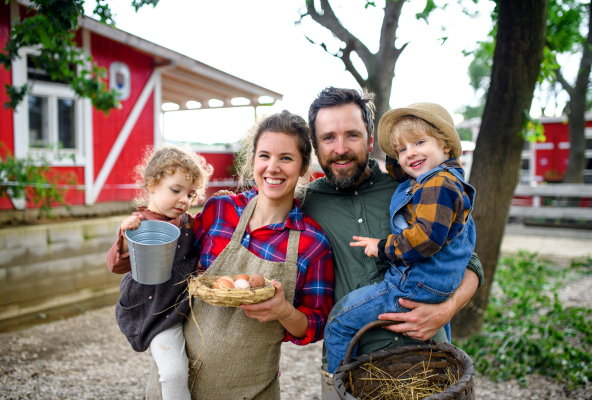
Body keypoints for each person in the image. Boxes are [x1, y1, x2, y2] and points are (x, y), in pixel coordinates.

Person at [145, 110, 334, 400]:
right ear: (253, 160)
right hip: (177, 384)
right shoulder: (219, 211)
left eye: (286, 158)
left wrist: (284, 312)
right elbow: (174, 259)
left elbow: (316, 323)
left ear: (303, 166)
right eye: (264, 156)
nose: (273, 167)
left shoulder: (313, 243)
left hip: (250, 390)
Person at [301, 87, 484, 371]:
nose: (340, 149)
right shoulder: (305, 204)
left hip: (428, 361)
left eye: (352, 134)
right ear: (316, 146)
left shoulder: (415, 188)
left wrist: (445, 310)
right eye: (328, 138)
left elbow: (469, 259)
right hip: (353, 371)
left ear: (370, 139)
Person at [106, 144, 213, 400]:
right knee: (174, 372)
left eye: (190, 194)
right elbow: (115, 265)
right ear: (152, 185)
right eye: (176, 190)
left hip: (184, 301)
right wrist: (124, 235)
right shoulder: (141, 224)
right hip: (155, 309)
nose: (184, 200)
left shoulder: (188, 223)